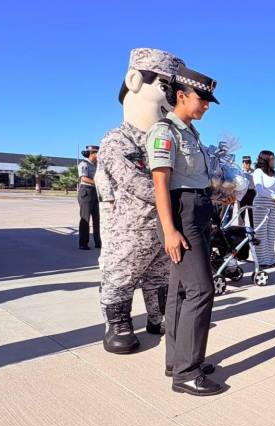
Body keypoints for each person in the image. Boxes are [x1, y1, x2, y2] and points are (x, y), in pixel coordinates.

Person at [95, 48, 182, 353]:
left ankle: (158, 317)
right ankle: (118, 322)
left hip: (161, 227)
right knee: (122, 273)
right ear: (134, 80)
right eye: (165, 88)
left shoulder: (162, 141)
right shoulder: (117, 140)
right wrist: (177, 196)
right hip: (127, 230)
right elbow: (136, 182)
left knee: (160, 274)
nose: (173, 100)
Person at [146, 64, 223, 396]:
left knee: (181, 291)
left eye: (208, 100)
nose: (205, 105)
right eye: (201, 99)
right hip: (182, 216)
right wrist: (170, 231)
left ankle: (176, 361)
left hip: (198, 211)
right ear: (181, 96)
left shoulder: (190, 132)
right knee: (201, 290)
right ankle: (187, 373)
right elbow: (160, 182)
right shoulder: (165, 131)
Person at [252, 150, 275, 267]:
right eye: (271, 158)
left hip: (272, 204)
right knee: (261, 233)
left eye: (274, 158)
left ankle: (271, 259)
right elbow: (259, 189)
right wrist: (274, 196)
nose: (274, 161)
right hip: (261, 204)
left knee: (270, 232)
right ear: (265, 160)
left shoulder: (274, 173)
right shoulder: (258, 172)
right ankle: (262, 260)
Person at [78, 145, 101, 250]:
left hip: (96, 192)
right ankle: (83, 243)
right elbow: (84, 178)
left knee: (98, 219)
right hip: (86, 191)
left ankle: (98, 242)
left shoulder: (97, 165)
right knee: (85, 218)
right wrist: (99, 183)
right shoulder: (84, 164)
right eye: (98, 153)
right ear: (92, 153)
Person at [237, 155, 256, 227]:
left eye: (249, 162)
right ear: (243, 163)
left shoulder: (254, 172)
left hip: (251, 192)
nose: (248, 164)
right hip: (242, 193)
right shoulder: (239, 171)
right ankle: (241, 230)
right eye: (246, 162)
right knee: (241, 212)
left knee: (252, 213)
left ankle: (253, 230)